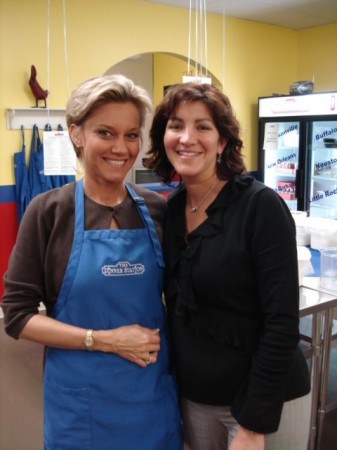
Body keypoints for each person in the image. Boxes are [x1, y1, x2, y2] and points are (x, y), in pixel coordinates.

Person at [1, 74, 183, 450]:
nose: (121, 148)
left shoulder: (157, 209)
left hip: (151, 398)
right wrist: (104, 341)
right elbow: (17, 316)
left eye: (131, 135)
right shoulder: (49, 212)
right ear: (76, 134)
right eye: (105, 133)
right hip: (81, 409)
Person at [145, 81, 311, 450]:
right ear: (163, 137)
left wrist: (252, 424)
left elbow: (282, 322)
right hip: (196, 399)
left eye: (203, 127)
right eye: (176, 125)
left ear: (222, 142)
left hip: (264, 402)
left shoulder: (259, 206)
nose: (187, 137)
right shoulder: (171, 210)